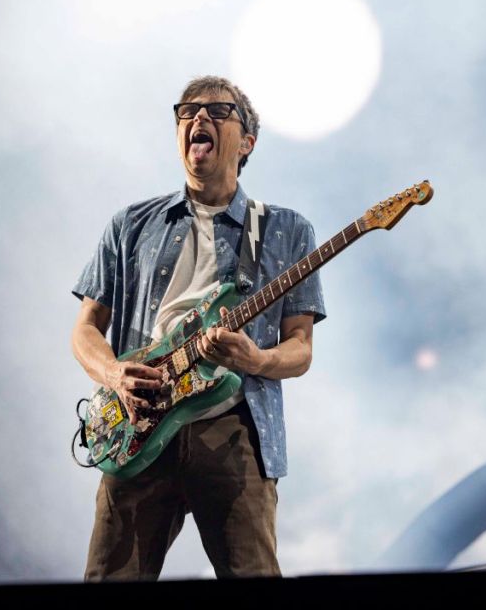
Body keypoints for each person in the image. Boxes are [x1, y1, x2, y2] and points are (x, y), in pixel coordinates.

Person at [72, 76, 326, 579]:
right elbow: (85, 330)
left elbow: (301, 348)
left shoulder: (286, 230)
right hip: (139, 423)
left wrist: (257, 359)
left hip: (233, 427)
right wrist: (115, 375)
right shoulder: (131, 224)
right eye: (187, 112)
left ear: (247, 141)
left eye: (217, 110)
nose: (198, 118)